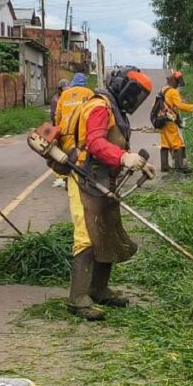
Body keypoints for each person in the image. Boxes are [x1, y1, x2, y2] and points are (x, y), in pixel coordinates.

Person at [56, 66, 155, 320]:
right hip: (84, 178)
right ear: (121, 85)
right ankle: (78, 298)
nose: (135, 100)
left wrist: (140, 163)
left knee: (106, 231)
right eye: (134, 93)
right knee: (86, 236)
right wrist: (124, 157)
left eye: (140, 96)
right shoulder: (99, 106)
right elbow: (96, 143)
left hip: (103, 180)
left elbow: (117, 143)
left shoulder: (115, 109)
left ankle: (99, 289)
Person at [158, 70, 193, 173]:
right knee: (177, 143)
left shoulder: (163, 90)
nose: (178, 86)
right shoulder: (173, 91)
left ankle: (165, 166)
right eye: (178, 83)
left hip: (161, 120)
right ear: (174, 81)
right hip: (170, 120)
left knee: (165, 143)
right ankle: (179, 167)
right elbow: (180, 105)